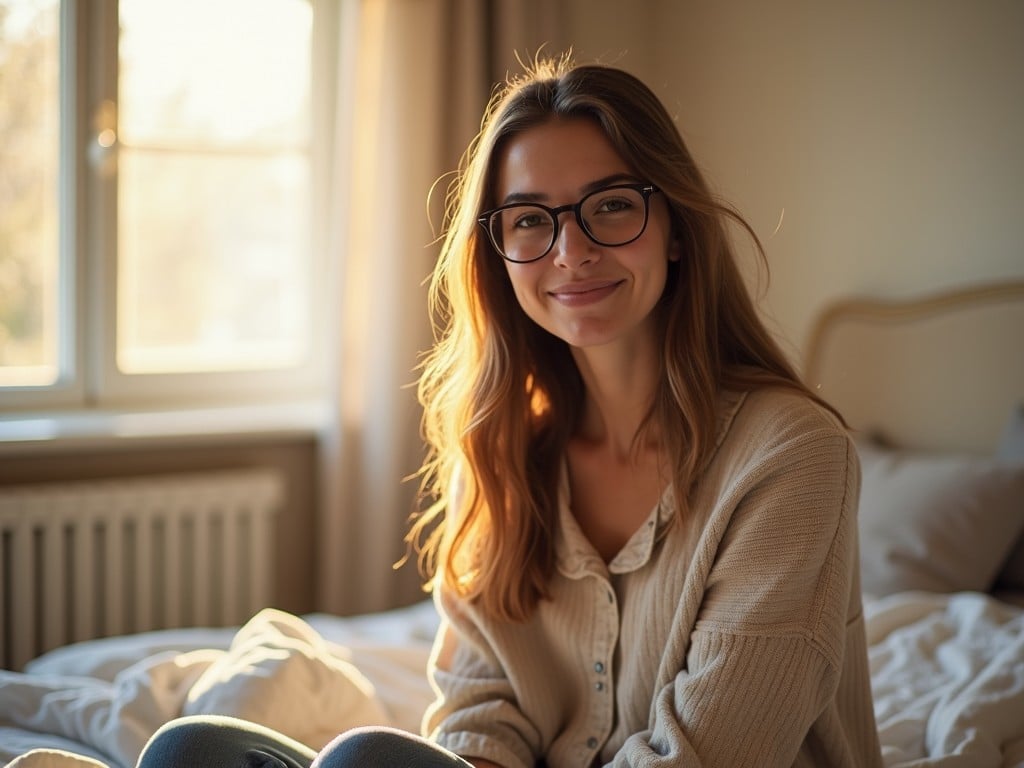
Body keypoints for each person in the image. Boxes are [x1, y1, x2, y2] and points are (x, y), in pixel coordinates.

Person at [138, 55, 883, 768]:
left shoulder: (791, 455)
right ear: (498, 251)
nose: (570, 251)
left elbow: (715, 755)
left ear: (679, 229)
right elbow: (481, 708)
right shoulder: (505, 447)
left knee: (367, 758)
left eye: (613, 206)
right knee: (192, 752)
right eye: (530, 219)